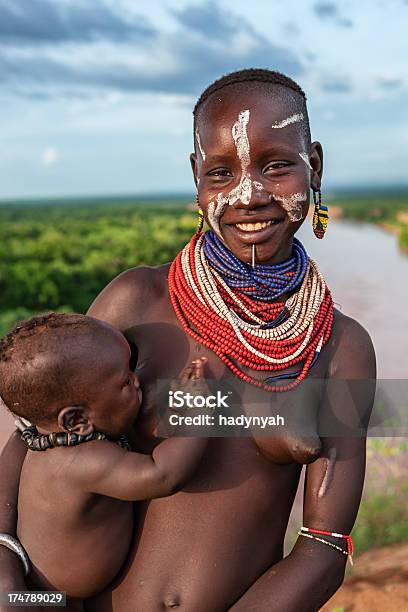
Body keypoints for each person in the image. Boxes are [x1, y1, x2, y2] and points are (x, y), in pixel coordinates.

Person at [0, 69, 376, 612]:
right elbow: (34, 435)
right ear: (196, 177)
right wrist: (6, 564)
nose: (249, 196)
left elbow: (325, 544)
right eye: (221, 173)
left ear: (314, 165)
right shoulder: (138, 302)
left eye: (276, 166)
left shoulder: (340, 347)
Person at [0, 313, 208, 610]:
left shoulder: (45, 440)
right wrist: (199, 411)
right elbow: (163, 474)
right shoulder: (83, 462)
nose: (138, 381)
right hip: (51, 600)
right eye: (125, 380)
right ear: (77, 419)